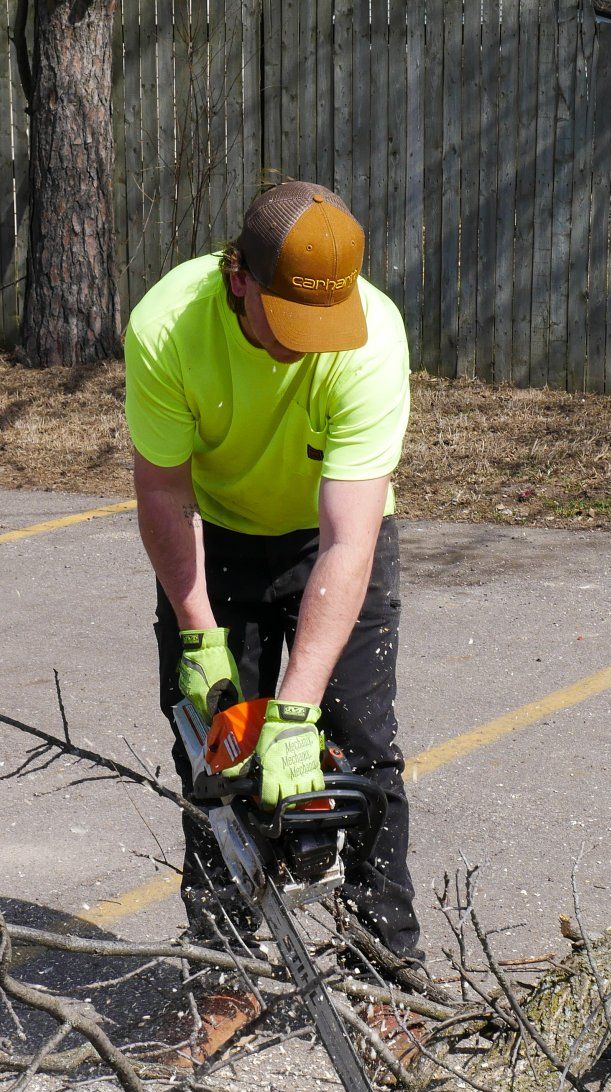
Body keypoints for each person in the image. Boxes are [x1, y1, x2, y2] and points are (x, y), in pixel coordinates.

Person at [123, 179, 422, 978]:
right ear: (239, 278)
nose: (309, 343)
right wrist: (198, 632)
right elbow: (162, 492)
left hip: (333, 542)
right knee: (218, 753)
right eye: (291, 321)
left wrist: (298, 707)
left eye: (322, 322)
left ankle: (388, 972)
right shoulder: (167, 327)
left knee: (361, 747)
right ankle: (225, 973)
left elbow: (348, 540)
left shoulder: (373, 339)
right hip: (213, 536)